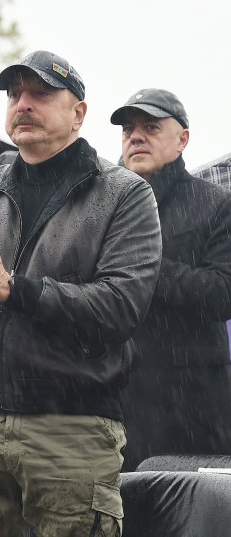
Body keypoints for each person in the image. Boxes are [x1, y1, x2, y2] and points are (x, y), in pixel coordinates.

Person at [0, 51, 163, 536]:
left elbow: (119, 309)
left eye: (40, 94)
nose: (23, 104)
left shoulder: (123, 194)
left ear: (78, 113)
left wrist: (16, 291)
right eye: (14, 94)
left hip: (71, 429)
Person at [110, 89, 231, 471]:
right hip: (116, 399)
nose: (135, 136)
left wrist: (146, 267)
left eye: (150, 127)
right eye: (128, 129)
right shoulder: (103, 205)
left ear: (182, 139)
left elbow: (222, 294)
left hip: (194, 405)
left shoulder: (216, 203)